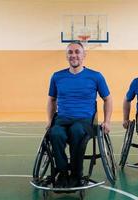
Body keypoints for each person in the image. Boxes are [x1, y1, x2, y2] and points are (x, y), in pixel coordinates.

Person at [47, 42, 112, 188]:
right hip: (62, 119)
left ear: (84, 55)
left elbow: (108, 99)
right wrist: (50, 121)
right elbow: (51, 100)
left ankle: (76, 174)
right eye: (70, 52)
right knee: (55, 133)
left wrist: (107, 121)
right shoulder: (57, 76)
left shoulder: (95, 76)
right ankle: (63, 174)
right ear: (66, 56)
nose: (73, 55)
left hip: (84, 120)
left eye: (77, 52)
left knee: (76, 131)